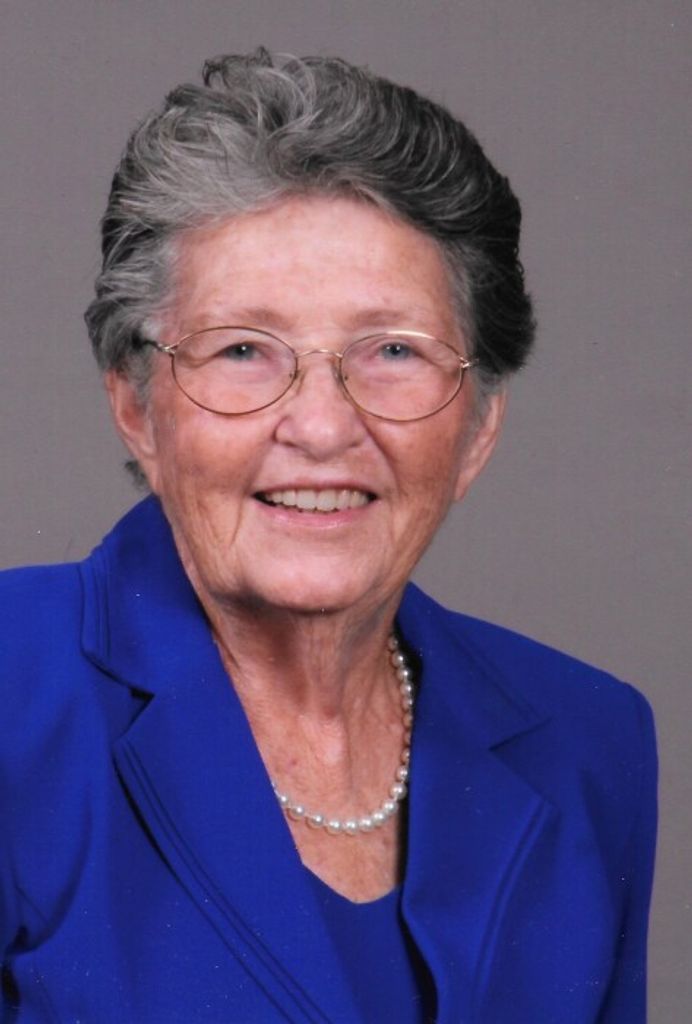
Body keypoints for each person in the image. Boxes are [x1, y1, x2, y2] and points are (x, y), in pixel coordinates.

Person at [0, 49, 656, 1024]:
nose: (320, 425)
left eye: (391, 350)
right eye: (242, 350)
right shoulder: (14, 693)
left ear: (478, 423)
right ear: (136, 407)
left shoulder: (588, 742)